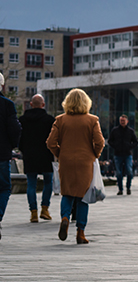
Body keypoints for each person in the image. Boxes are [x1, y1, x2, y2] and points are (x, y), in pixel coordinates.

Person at [46, 88, 105, 245]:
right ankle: (80, 233)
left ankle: (65, 217)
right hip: (86, 162)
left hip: (66, 161)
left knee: (67, 194)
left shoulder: (60, 120)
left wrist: (60, 154)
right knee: (83, 198)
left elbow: (50, 142)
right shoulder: (92, 120)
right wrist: (95, 154)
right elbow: (100, 142)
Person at [19, 94, 55, 223]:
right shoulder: (49, 120)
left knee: (31, 184)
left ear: (31, 104)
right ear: (43, 105)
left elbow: (19, 138)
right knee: (48, 182)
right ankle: (45, 209)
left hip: (29, 155)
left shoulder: (22, 120)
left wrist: (23, 150)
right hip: (46, 155)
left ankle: (33, 212)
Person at [0, 73, 22, 239]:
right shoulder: (7, 105)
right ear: (2, 85)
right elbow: (15, 129)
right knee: (4, 188)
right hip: (1, 154)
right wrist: (12, 145)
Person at [108, 114, 138, 195]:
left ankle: (128, 187)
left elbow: (136, 142)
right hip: (117, 154)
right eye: (121, 121)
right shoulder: (115, 130)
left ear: (127, 121)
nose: (122, 122)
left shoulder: (130, 131)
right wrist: (115, 146)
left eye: (123, 121)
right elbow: (110, 141)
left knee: (129, 171)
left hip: (127, 154)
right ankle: (120, 189)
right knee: (118, 173)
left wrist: (130, 146)